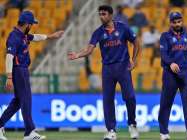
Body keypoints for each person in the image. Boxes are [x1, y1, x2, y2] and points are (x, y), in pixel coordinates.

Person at [68, 5, 140, 140]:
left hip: (123, 66)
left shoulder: (123, 28)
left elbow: (136, 42)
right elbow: (89, 50)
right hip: (107, 69)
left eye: (104, 14)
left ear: (111, 15)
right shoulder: (98, 32)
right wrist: (77, 55)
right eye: (100, 14)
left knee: (130, 97)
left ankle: (132, 124)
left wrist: (134, 60)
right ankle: (111, 130)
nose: (101, 16)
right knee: (107, 100)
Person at [0, 11, 63, 140]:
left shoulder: (22, 35)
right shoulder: (14, 37)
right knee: (26, 99)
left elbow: (35, 37)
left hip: (22, 70)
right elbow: (9, 57)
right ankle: (29, 132)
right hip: (18, 71)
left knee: (18, 101)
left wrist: (51, 36)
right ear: (27, 24)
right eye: (31, 24)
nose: (32, 27)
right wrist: (9, 77)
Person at [158, 12, 187, 140]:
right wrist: (170, 63)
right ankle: (164, 132)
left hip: (184, 74)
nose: (177, 24)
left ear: (182, 21)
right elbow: (163, 54)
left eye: (179, 21)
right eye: (174, 22)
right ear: (170, 22)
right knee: (166, 103)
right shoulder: (165, 36)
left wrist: (186, 69)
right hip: (170, 74)